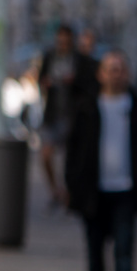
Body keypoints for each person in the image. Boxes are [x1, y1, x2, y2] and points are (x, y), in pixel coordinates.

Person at [65, 51, 137, 271]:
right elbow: (74, 150)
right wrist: (72, 185)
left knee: (124, 248)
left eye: (120, 69)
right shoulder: (87, 106)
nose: (115, 74)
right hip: (94, 190)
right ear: (100, 74)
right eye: (110, 69)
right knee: (94, 249)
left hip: (126, 191)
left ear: (127, 74)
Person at [39, 25, 84, 206]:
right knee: (46, 155)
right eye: (60, 41)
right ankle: (56, 190)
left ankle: (68, 193)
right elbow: (40, 79)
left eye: (66, 41)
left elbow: (84, 83)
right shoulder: (50, 56)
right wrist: (46, 82)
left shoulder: (78, 59)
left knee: (70, 158)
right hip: (52, 114)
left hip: (71, 115)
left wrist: (73, 81)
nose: (63, 44)